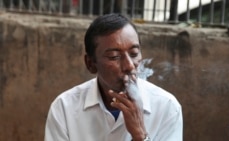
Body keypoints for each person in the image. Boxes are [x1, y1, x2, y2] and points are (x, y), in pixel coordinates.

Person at [45, 13, 183, 141]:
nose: (129, 66)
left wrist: (140, 135)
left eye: (134, 53)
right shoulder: (64, 108)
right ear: (91, 64)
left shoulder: (167, 107)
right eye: (114, 57)